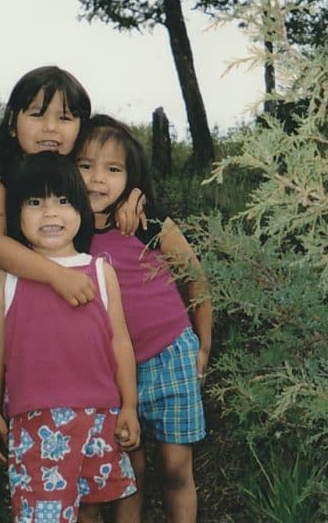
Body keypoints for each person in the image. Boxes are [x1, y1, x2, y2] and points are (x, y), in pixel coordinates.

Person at [0, 67, 142, 522]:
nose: (51, 128)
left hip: (36, 320)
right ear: (13, 121)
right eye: (37, 115)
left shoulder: (66, 172)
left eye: (66, 118)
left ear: (80, 128)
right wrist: (57, 276)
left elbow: (112, 176)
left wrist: (134, 198)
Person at [0, 152, 140, 522]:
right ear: (16, 214)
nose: (50, 213)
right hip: (37, 423)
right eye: (35, 202)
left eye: (63, 201)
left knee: (91, 510)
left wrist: (128, 405)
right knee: (43, 515)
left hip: (101, 416)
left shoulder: (101, 272)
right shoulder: (6, 278)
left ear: (81, 209)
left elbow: (120, 342)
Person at [76, 115, 212, 523]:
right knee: (127, 471)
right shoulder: (66, 228)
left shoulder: (146, 221)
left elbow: (195, 278)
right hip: (113, 369)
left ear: (131, 177)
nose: (97, 179)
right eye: (85, 166)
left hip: (171, 354)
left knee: (175, 468)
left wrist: (204, 346)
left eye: (113, 169)